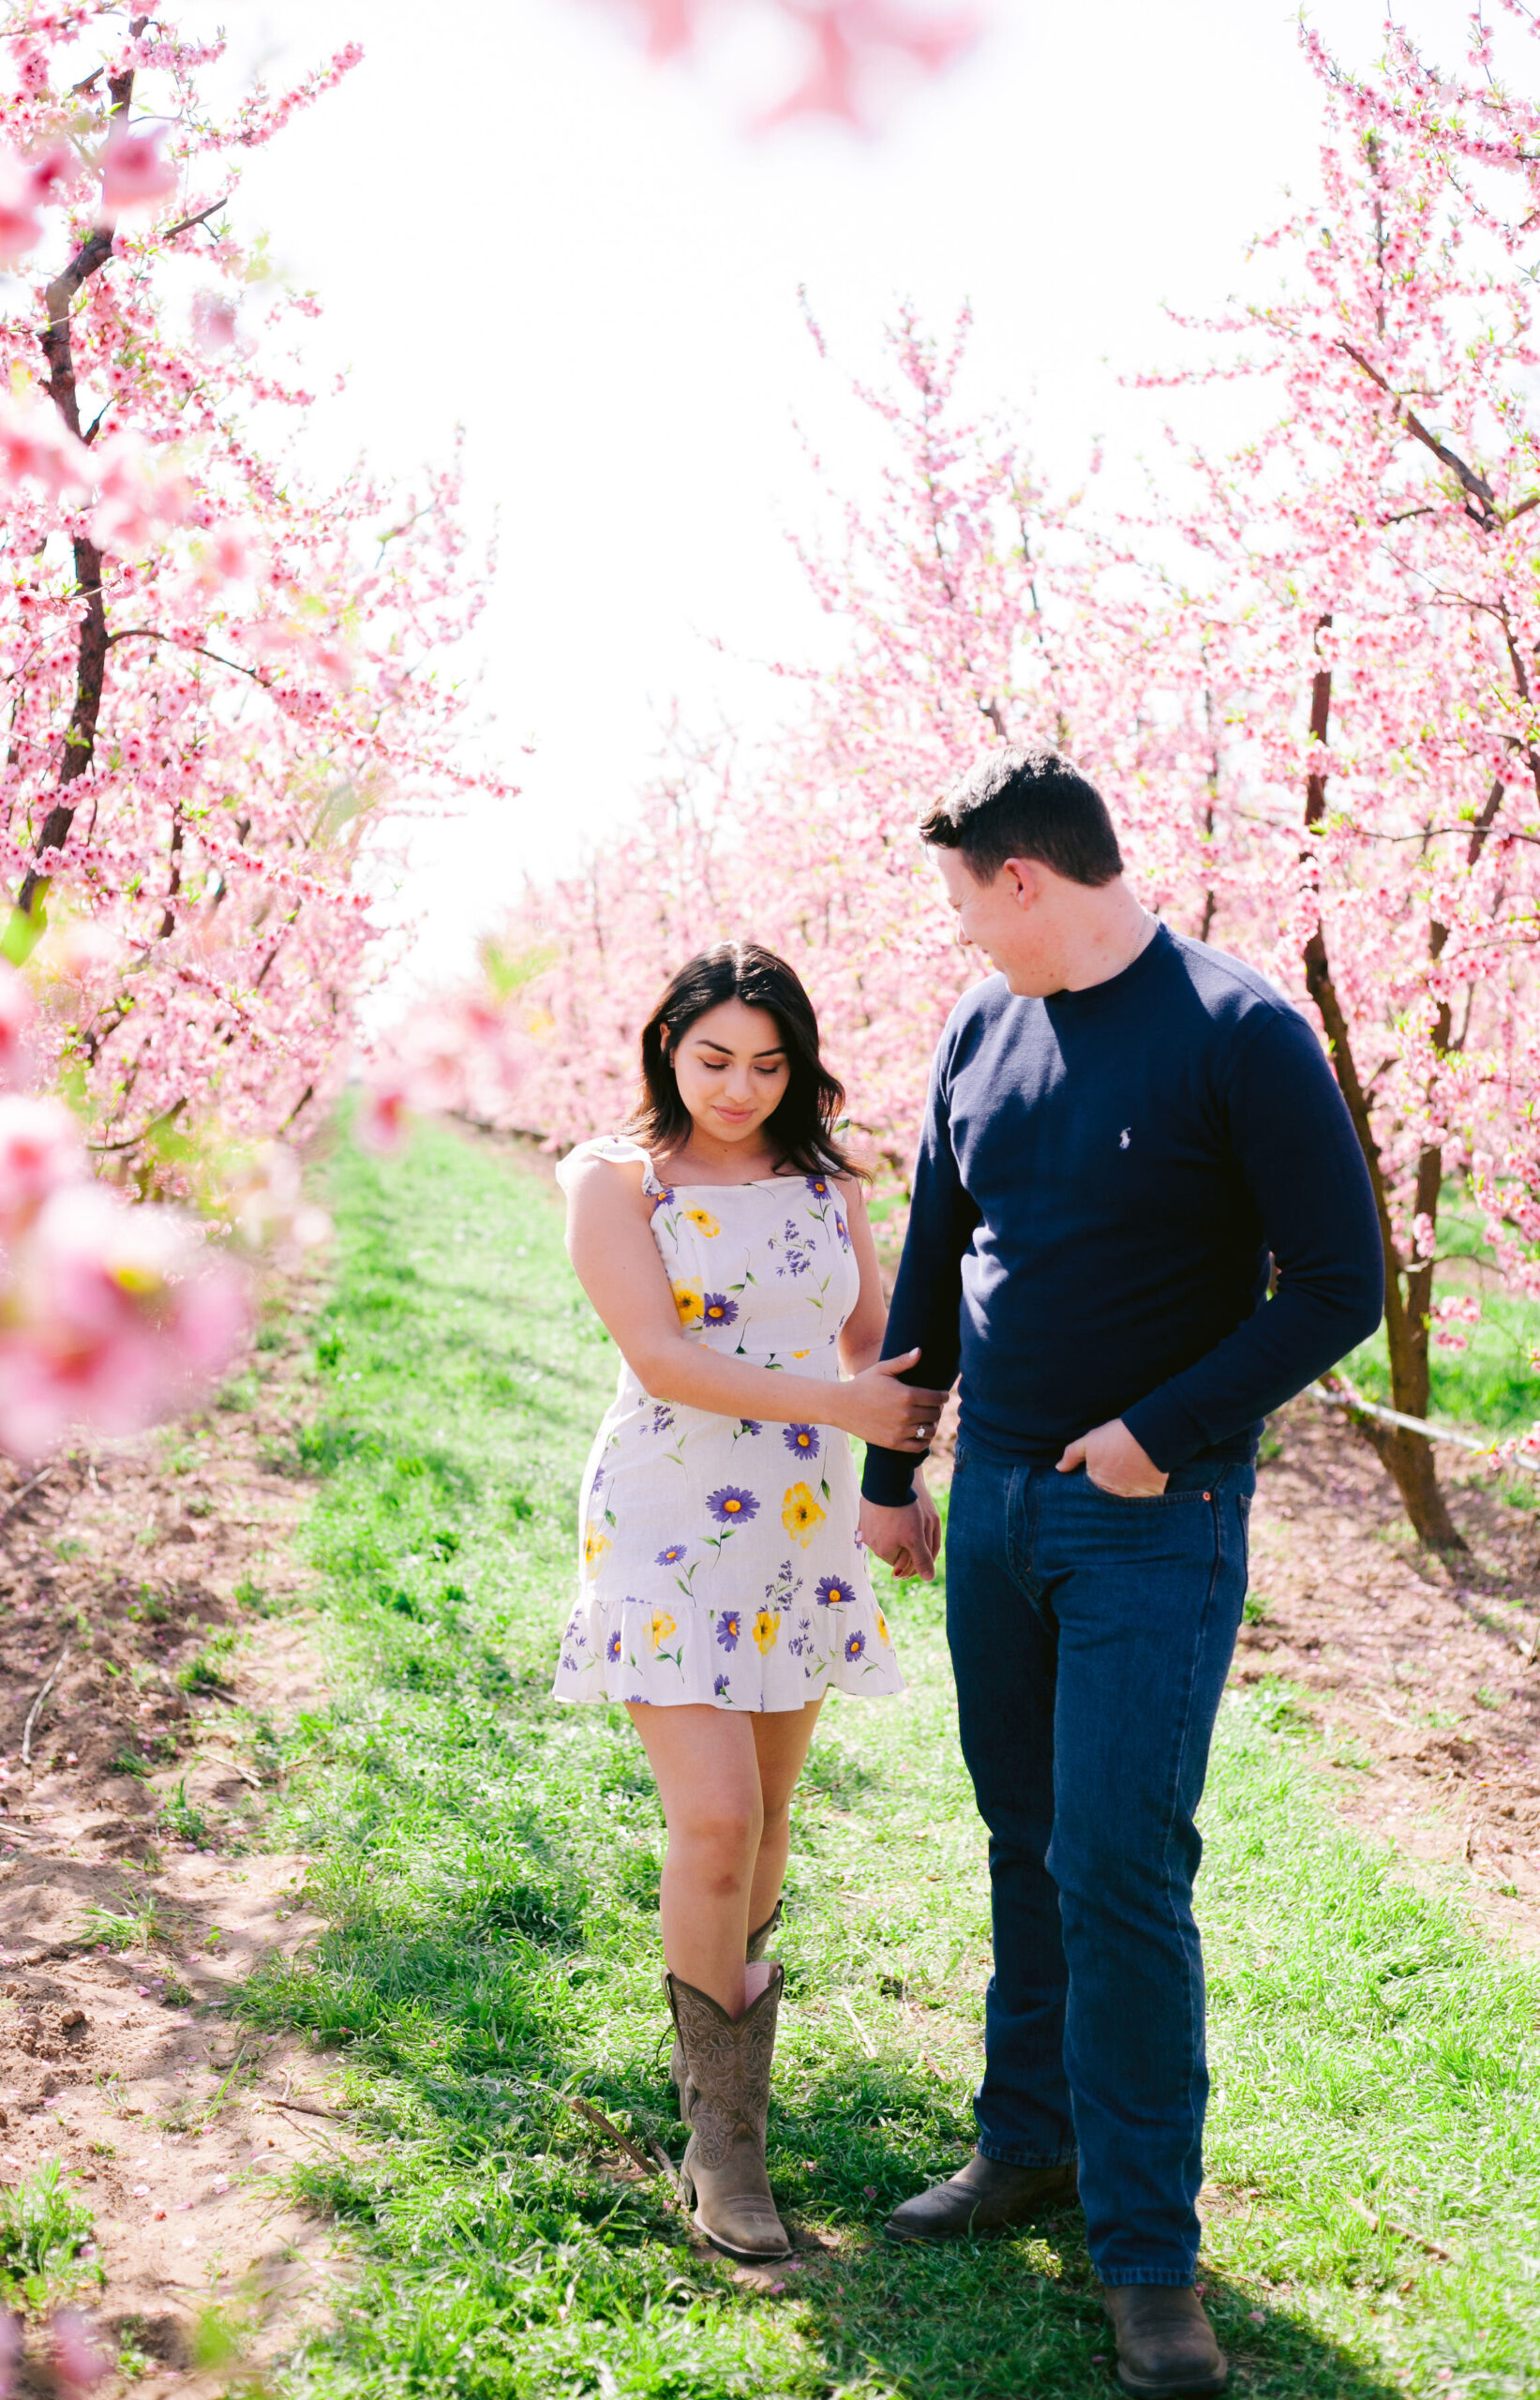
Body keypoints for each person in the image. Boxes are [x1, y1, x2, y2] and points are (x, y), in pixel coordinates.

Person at [859, 748, 1383, 2399]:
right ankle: (1030, 2146)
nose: (956, 930)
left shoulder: (1239, 1034)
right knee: (1025, 1838)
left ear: (1025, 878)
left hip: (1154, 1518)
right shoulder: (978, 1028)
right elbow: (941, 1251)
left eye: (962, 897)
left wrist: (1160, 1430)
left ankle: (1150, 2253)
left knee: (1121, 1868)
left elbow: (1339, 1283)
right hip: (998, 1505)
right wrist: (895, 1473)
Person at [555, 939, 946, 2262]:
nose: (741, 1085)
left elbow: (878, 1343)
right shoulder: (616, 1183)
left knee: (770, 1827)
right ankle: (727, 2153)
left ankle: (724, 2072)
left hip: (798, 1524)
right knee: (715, 1820)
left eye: (770, 1063)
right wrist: (846, 1408)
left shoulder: (827, 1185)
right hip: (665, 1520)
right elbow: (662, 1359)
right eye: (715, 1057)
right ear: (667, 1044)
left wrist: (892, 1477)